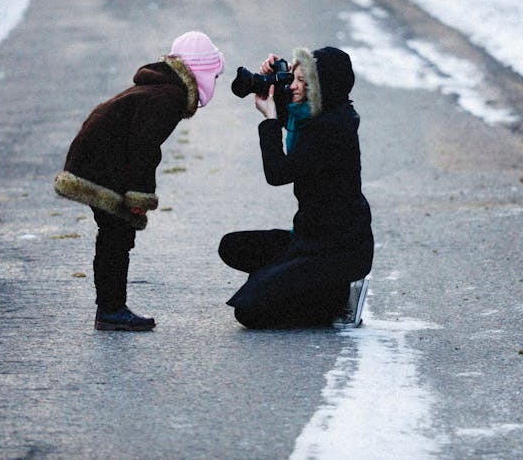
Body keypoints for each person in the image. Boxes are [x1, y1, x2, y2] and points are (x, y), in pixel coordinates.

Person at [54, 31, 224, 331]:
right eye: (214, 75)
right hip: (101, 164)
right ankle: (111, 310)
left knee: (115, 234)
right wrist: (139, 197)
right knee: (116, 235)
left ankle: (110, 308)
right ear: (201, 70)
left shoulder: (163, 88)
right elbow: (144, 148)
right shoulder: (169, 96)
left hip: (100, 159)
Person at [218, 46, 373, 329]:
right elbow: (296, 114)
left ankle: (334, 299)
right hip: (307, 238)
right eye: (294, 77)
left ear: (321, 87)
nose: (293, 86)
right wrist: (276, 77)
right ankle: (298, 284)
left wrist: (270, 120)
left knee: (249, 313)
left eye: (302, 81)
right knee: (232, 246)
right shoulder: (322, 116)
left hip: (336, 251)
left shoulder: (331, 130)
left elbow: (278, 173)